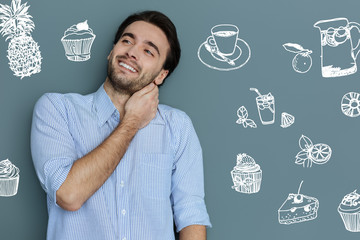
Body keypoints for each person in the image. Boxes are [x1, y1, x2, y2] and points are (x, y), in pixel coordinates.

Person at [31, 10, 211, 240]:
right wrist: (132, 122)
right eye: (127, 40)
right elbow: (68, 194)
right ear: (111, 52)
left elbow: (191, 215)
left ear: (161, 75)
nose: (132, 52)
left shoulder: (178, 126)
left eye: (148, 51)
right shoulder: (57, 109)